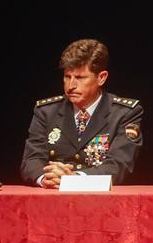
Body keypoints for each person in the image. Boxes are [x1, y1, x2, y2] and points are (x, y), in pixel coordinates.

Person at [21, 39, 143, 188]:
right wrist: (45, 178)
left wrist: (74, 180)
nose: (71, 85)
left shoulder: (124, 113)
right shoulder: (46, 111)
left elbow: (119, 164)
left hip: (101, 202)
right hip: (52, 196)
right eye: (67, 77)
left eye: (80, 78)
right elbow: (31, 160)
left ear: (101, 78)